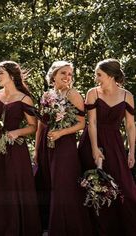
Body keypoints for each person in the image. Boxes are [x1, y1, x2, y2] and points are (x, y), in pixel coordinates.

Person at [35, 61, 94, 235]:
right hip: (47, 144)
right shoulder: (46, 95)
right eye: (63, 73)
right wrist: (37, 150)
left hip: (64, 145)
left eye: (70, 74)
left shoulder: (73, 94)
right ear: (53, 75)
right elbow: (40, 124)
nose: (67, 77)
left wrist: (61, 133)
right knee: (49, 182)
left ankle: (65, 228)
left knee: (63, 185)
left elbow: (82, 124)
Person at [78, 58, 136, 236]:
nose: (96, 78)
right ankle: (97, 229)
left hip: (115, 144)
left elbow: (131, 126)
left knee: (125, 187)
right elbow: (92, 122)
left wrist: (132, 151)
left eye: (99, 75)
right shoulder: (93, 93)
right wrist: (95, 149)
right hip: (92, 141)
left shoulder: (127, 96)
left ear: (111, 76)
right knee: (93, 187)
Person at [0, 60, 42, 236]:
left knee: (14, 186)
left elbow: (34, 127)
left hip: (16, 149)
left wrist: (17, 132)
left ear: (11, 75)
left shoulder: (24, 98)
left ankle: (18, 229)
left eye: (0, 73)